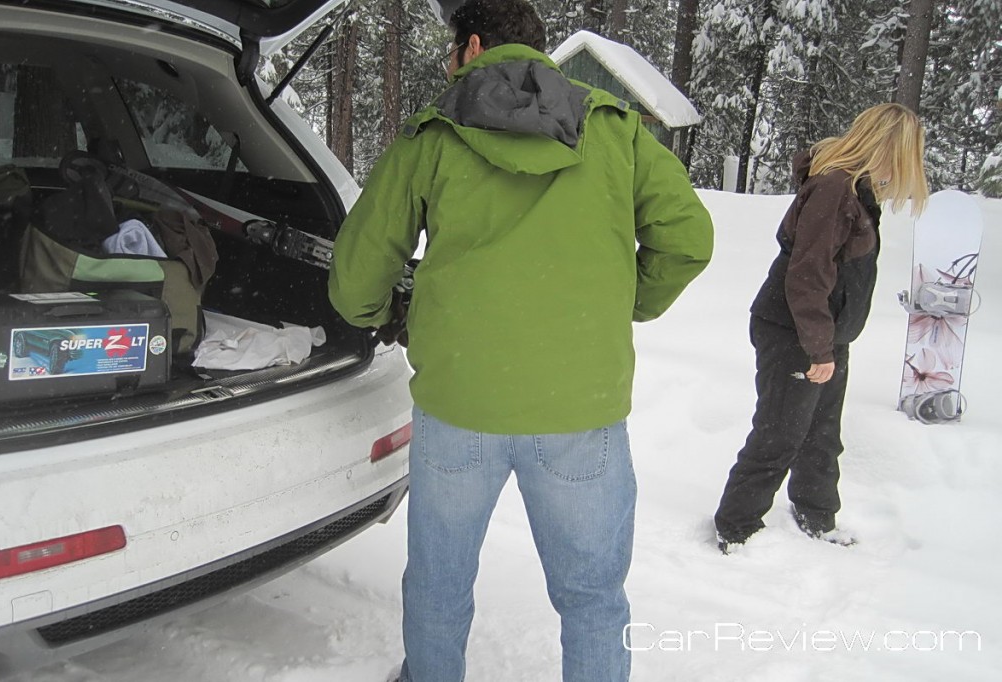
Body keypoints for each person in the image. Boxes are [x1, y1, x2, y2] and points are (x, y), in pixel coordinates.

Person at [329, 0, 713, 678]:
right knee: (593, 597)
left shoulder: (432, 136)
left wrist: (380, 312)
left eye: (451, 51)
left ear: (472, 46)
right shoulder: (614, 131)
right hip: (580, 408)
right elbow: (688, 241)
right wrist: (622, 304)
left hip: (460, 404)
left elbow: (356, 279)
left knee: (439, 585)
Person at [713, 103, 929, 554]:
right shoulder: (835, 189)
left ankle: (815, 514)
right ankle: (735, 528)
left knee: (821, 432)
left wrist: (829, 343)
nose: (907, 169)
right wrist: (818, 350)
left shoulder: (856, 190)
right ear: (886, 147)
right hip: (794, 331)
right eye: (905, 155)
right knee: (781, 431)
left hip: (824, 334)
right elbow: (807, 275)